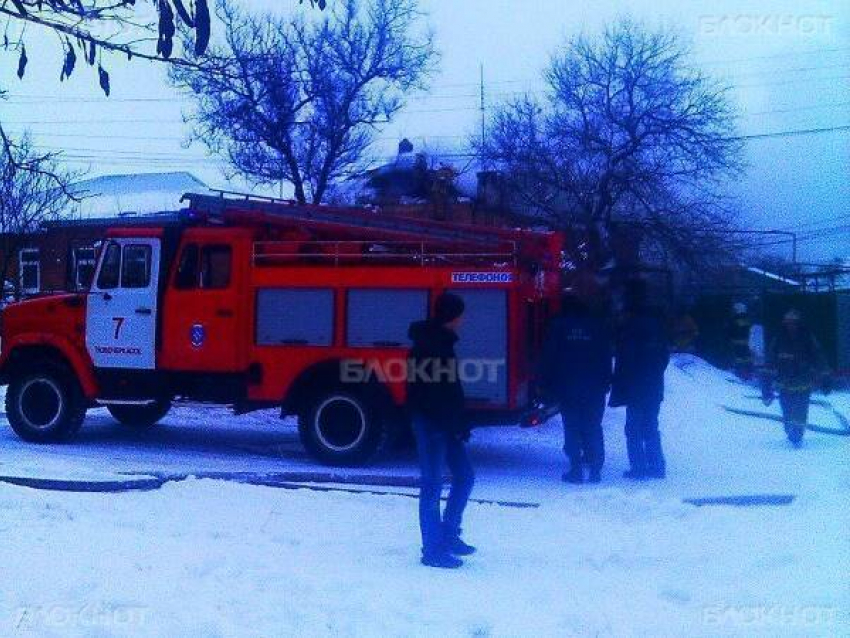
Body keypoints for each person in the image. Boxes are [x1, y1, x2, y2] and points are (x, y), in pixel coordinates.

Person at [407, 292, 475, 569]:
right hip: (433, 425)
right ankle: (432, 550)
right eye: (461, 314)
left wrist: (458, 423)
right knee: (432, 485)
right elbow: (431, 395)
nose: (463, 320)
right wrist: (452, 424)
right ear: (452, 316)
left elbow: (449, 391)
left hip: (445, 424)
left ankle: (448, 534)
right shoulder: (431, 346)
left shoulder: (441, 343)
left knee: (465, 477)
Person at [539, 294, 613, 484]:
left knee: (571, 427)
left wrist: (545, 384)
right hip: (594, 387)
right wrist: (606, 382)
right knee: (593, 426)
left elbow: (549, 356)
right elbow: (606, 356)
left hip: (568, 386)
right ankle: (595, 470)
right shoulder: (599, 326)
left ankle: (576, 470)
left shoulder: (559, 326)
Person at [609, 280, 670, 480]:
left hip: (636, 388)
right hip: (653, 385)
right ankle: (657, 466)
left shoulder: (631, 328)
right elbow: (664, 357)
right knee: (650, 426)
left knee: (633, 429)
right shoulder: (658, 325)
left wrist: (621, 383)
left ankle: (639, 467)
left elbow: (626, 360)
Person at [761, 309, 830, 447]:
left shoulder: (807, 338)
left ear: (799, 323)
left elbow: (819, 357)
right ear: (784, 323)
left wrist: (825, 379)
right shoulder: (778, 339)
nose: (791, 325)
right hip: (784, 385)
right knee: (787, 411)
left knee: (800, 410)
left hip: (803, 383)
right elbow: (769, 362)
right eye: (788, 323)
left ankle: (797, 433)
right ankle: (789, 430)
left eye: (794, 323)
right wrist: (766, 388)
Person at [726, 302, 753, 378]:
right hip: (745, 342)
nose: (733, 311)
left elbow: (732, 330)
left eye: (735, 310)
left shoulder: (735, 320)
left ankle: (740, 373)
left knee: (739, 357)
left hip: (736, 342)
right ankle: (748, 372)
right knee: (746, 357)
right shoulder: (747, 319)